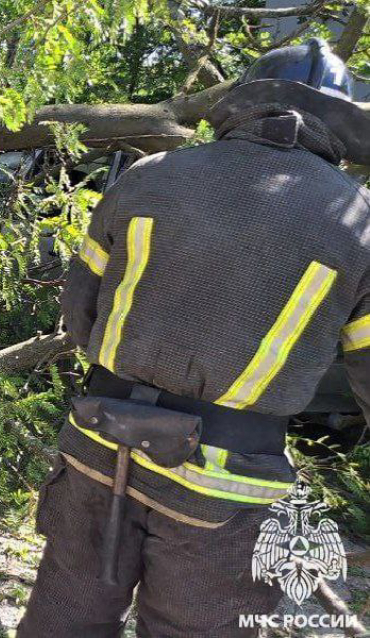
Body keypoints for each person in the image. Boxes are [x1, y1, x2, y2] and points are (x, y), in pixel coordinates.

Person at [18, 39, 370, 638]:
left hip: (101, 442)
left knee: (66, 616)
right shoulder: (357, 223)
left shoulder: (150, 176)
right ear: (343, 124)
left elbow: (79, 318)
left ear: (244, 104)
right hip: (225, 483)